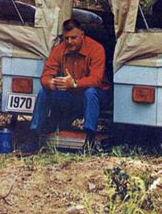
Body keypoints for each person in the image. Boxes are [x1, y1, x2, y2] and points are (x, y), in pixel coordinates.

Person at [21, 17, 110, 155]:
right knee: (44, 93)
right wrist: (49, 82)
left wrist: (74, 83)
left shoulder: (96, 48)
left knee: (90, 92)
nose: (69, 42)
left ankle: (89, 139)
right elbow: (46, 75)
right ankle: (33, 136)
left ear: (82, 35)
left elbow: (96, 80)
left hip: (97, 96)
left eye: (73, 37)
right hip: (71, 96)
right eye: (66, 38)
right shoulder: (59, 49)